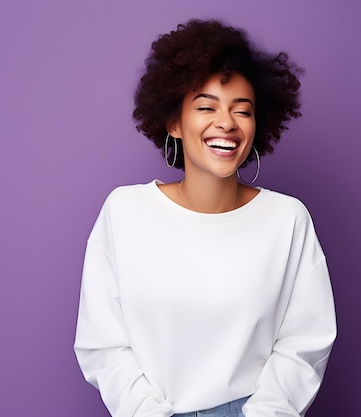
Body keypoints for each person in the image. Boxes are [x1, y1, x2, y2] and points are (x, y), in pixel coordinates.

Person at [74, 19, 336, 417]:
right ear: (174, 122)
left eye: (241, 110)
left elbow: (305, 343)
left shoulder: (287, 220)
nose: (226, 122)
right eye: (206, 106)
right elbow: (103, 344)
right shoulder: (124, 212)